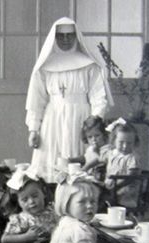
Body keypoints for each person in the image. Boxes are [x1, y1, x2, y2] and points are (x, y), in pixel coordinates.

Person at [25, 17, 112, 183]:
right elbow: (37, 100)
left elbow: (99, 96)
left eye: (70, 36)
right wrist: (34, 130)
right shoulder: (44, 67)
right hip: (53, 118)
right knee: (52, 161)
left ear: (76, 36)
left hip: (81, 117)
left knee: (80, 158)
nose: (65, 40)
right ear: (54, 38)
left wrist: (95, 122)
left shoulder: (88, 65)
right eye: (61, 36)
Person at [1, 168, 58, 243]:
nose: (31, 201)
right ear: (18, 202)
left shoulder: (53, 210)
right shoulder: (20, 219)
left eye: (35, 196)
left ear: (44, 193)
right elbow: (5, 240)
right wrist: (26, 237)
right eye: (25, 199)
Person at [88, 118, 141, 209]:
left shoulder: (132, 158)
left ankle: (102, 211)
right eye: (121, 142)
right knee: (91, 188)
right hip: (109, 187)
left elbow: (131, 176)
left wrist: (116, 186)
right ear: (114, 141)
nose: (125, 146)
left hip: (124, 191)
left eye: (129, 143)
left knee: (101, 198)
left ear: (134, 143)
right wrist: (86, 167)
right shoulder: (112, 153)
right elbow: (98, 160)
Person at [67, 115, 110, 180]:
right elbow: (86, 157)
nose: (94, 139)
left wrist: (96, 151)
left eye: (97, 135)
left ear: (104, 134)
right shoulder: (90, 148)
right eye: (90, 137)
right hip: (88, 175)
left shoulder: (106, 148)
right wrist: (72, 159)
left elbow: (100, 160)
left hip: (100, 177)